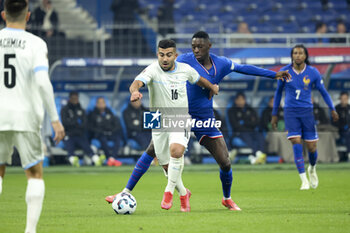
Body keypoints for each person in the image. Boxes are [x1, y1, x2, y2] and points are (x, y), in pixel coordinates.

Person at [105, 31, 291, 211]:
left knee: (225, 162)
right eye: (193, 46)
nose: (196, 50)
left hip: (202, 116)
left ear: (209, 46)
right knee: (152, 151)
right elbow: (156, 71)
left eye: (200, 46)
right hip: (170, 113)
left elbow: (244, 68)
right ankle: (125, 192)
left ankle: (226, 198)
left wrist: (273, 74)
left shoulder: (222, 64)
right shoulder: (182, 59)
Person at [128, 39, 219, 212]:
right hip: (157, 119)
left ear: (175, 56)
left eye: (169, 55)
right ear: (158, 55)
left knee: (176, 151)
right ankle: (184, 194)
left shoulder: (184, 69)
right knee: (166, 165)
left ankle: (168, 192)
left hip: (180, 117)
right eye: (161, 55)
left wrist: (212, 88)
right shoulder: (152, 69)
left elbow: (199, 79)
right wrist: (135, 92)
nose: (165, 59)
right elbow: (136, 82)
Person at [0, 1, 65, 233]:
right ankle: (30, 231)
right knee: (34, 174)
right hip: (26, 116)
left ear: (3, 14)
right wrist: (55, 118)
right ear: (28, 16)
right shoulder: (36, 43)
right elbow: (42, 81)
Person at [271, 44, 339, 190]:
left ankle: (312, 168)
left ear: (305, 56)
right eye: (295, 53)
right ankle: (304, 180)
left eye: (300, 53)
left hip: (307, 112)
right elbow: (277, 94)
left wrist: (332, 109)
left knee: (312, 147)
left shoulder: (313, 73)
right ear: (292, 55)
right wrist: (274, 114)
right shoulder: (284, 71)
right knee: (295, 141)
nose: (297, 55)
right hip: (290, 112)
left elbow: (324, 92)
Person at [61, 92, 102, 167]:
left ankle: (95, 159)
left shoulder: (81, 109)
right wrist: (76, 123)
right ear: (70, 99)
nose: (75, 100)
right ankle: (73, 160)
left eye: (76, 98)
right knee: (69, 146)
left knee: (86, 145)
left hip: (79, 134)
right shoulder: (65, 110)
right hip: (69, 134)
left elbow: (84, 123)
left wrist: (74, 124)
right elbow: (65, 123)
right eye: (73, 98)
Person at [88, 97, 122, 167]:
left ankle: (113, 158)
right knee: (102, 139)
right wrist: (100, 131)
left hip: (110, 133)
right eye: (99, 103)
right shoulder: (92, 114)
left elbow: (116, 125)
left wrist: (111, 130)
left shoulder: (110, 112)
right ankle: (109, 158)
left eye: (103, 103)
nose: (101, 104)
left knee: (118, 139)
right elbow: (90, 127)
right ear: (96, 104)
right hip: (100, 134)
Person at [334, 92, 350, 159]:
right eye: (342, 98)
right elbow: (334, 122)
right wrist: (343, 127)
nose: (344, 100)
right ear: (340, 99)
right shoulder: (336, 108)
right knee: (347, 134)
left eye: (345, 99)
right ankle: (349, 153)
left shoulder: (349, 108)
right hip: (340, 130)